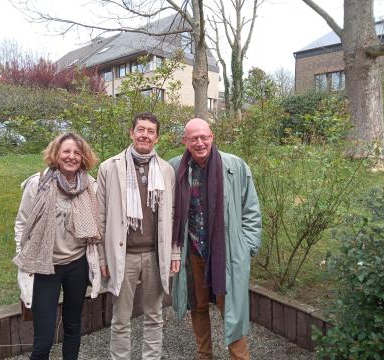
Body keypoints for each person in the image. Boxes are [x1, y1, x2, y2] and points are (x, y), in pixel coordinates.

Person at [170, 118, 262, 360]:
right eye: (194, 138)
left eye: (204, 137)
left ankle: (240, 357)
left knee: (231, 309)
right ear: (185, 141)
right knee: (198, 306)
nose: (200, 143)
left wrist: (247, 247)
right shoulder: (174, 168)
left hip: (226, 252)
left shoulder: (235, 166)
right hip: (193, 252)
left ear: (212, 137)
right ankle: (204, 355)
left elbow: (250, 209)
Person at [97, 112, 180, 360]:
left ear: (157, 138)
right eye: (140, 130)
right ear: (131, 133)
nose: (145, 135)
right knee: (121, 318)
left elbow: (173, 214)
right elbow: (100, 216)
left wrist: (174, 252)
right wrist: (102, 258)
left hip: (156, 255)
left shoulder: (166, 170)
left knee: (154, 316)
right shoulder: (109, 168)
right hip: (124, 255)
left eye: (150, 131)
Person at [13, 133, 101, 360]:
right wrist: (22, 255)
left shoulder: (90, 186)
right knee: (43, 337)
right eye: (66, 151)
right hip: (45, 267)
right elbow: (22, 223)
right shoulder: (38, 183)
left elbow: (99, 223)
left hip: (77, 265)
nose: (71, 157)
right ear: (56, 154)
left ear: (83, 157)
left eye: (76, 153)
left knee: (73, 327)